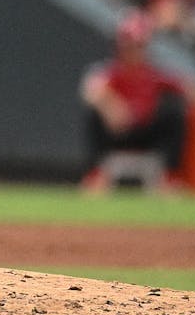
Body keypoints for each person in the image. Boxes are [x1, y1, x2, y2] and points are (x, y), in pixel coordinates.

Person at [79, 11, 189, 192]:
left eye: (138, 46)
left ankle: (170, 177)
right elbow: (90, 91)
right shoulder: (110, 71)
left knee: (174, 110)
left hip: (146, 133)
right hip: (118, 133)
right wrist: (111, 104)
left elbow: (190, 90)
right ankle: (95, 175)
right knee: (92, 115)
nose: (133, 51)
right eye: (129, 46)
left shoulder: (154, 74)